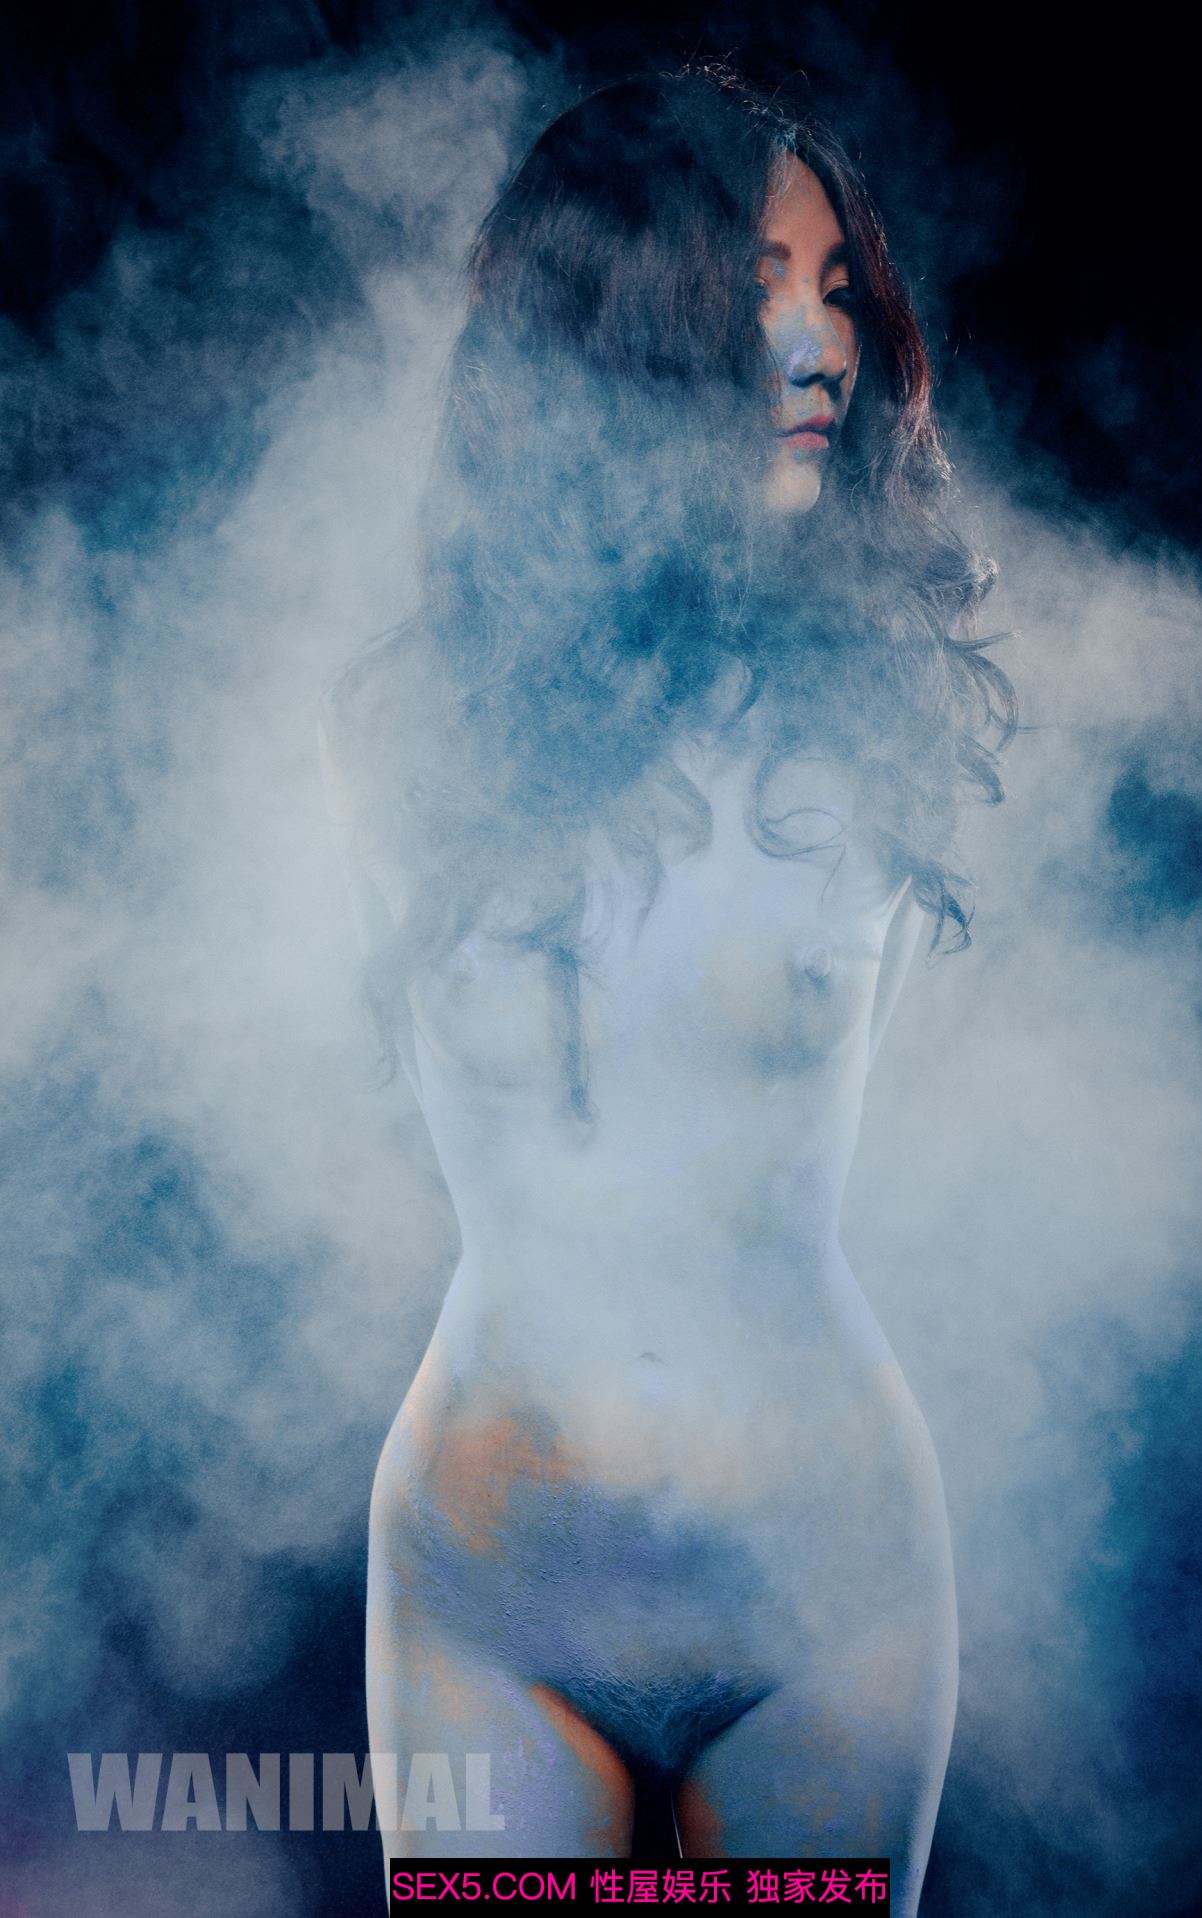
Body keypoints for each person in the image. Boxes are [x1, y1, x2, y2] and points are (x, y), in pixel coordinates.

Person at [320, 63, 1013, 1908]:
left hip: (820, 1590)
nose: (822, 345)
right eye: (761, 286)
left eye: (840, 291)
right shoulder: (405, 726)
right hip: (491, 1586)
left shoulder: (867, 715)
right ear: (619, 321)